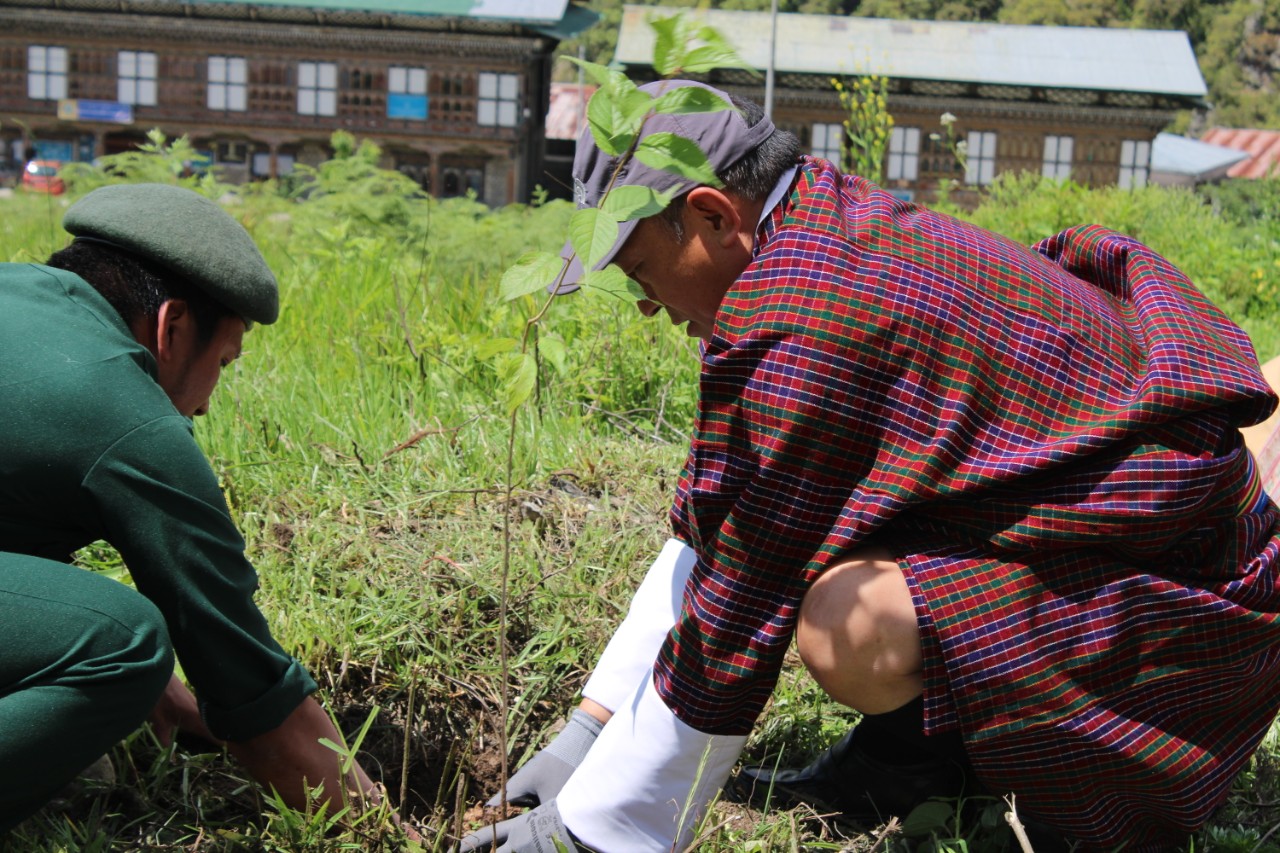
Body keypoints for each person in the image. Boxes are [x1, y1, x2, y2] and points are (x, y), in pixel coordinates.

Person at [462, 79, 1280, 853]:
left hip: (1184, 612)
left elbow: (741, 600)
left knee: (847, 620)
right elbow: (726, 518)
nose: (646, 303)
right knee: (846, 592)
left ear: (712, 215)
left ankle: (972, 768)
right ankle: (923, 758)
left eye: (641, 270)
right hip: (1128, 539)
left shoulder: (803, 325)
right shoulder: (816, 216)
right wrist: (588, 731)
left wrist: (600, 829)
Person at [0, 183, 385, 832]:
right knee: (122, 641)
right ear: (172, 326)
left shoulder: (18, 292)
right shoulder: (127, 416)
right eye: (225, 362)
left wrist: (163, 702)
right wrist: (385, 831)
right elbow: (258, 701)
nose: (206, 405)